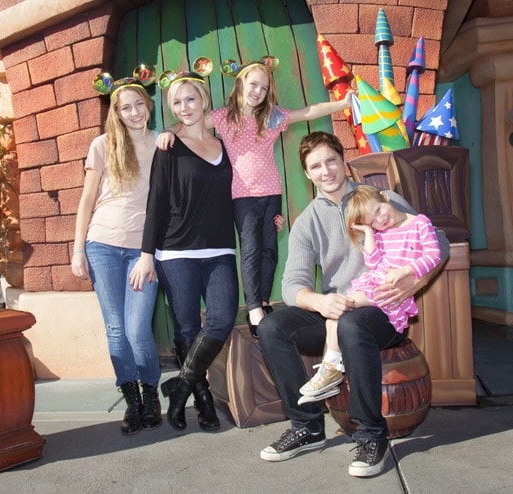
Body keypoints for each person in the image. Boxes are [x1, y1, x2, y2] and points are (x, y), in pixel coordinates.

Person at [256, 131, 449, 477]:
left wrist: (413, 283)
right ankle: (307, 427)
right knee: (272, 327)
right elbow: (292, 285)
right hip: (337, 308)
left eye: (331, 160)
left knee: (352, 324)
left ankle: (372, 435)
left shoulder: (379, 198)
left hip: (382, 310)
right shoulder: (306, 223)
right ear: (307, 173)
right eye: (315, 166)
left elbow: (439, 239)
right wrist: (319, 301)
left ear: (343, 160)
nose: (325, 170)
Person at [158, 61, 353, 337]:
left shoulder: (272, 117)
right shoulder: (225, 117)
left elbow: (307, 111)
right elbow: (191, 121)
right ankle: (253, 308)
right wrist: (169, 131)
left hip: (272, 193)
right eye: (253, 84)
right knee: (251, 249)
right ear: (240, 84)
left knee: (269, 249)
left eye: (264, 87)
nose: (258, 91)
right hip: (243, 195)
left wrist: (341, 103)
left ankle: (262, 299)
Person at [131, 71, 238, 432]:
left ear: (204, 100)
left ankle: (180, 390)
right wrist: (147, 254)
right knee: (188, 326)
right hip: (175, 250)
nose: (184, 107)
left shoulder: (224, 143)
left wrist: (269, 216)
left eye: (190, 99)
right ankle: (203, 398)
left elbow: (237, 192)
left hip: (220, 248)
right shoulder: (169, 145)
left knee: (222, 319)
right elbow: (156, 201)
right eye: (176, 102)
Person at [71, 78, 162, 436]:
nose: (135, 112)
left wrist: (149, 254)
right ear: (116, 112)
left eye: (139, 104)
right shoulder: (103, 144)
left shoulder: (161, 142)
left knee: (138, 330)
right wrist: (78, 249)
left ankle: (151, 393)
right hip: (102, 245)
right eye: (126, 107)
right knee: (115, 329)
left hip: (142, 252)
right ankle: (132, 400)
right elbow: (87, 200)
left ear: (147, 104)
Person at [298, 184, 441, 404]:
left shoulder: (419, 223)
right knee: (333, 316)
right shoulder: (381, 233)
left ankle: (330, 371)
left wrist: (406, 271)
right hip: (375, 283)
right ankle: (330, 368)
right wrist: (369, 234)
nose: (380, 220)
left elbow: (434, 255)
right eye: (372, 221)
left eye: (379, 210)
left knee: (340, 305)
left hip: (389, 291)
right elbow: (373, 262)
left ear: (385, 198)